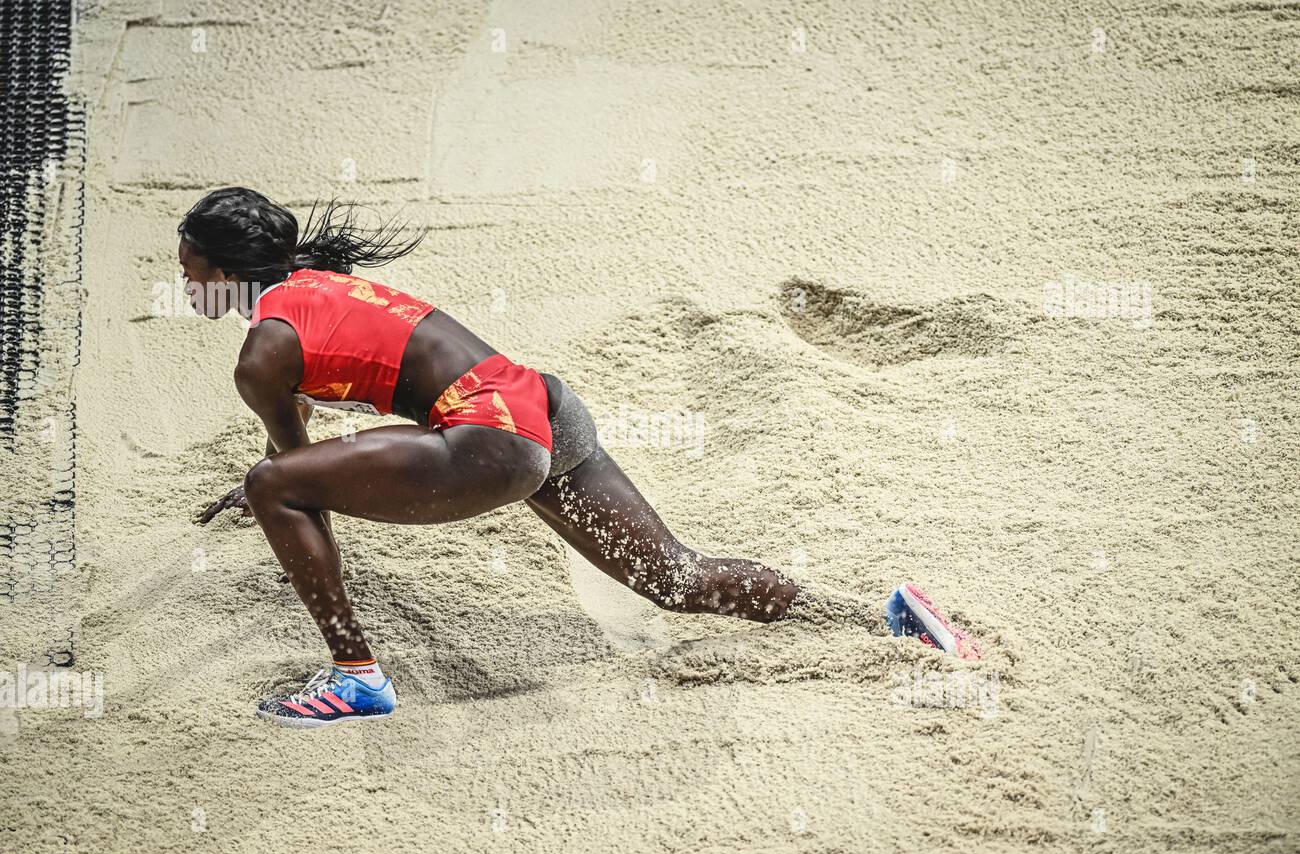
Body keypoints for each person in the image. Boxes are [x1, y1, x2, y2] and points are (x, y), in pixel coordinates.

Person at [181, 187, 974, 728]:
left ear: (223, 272)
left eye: (188, 271)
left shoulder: (261, 355)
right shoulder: (317, 285)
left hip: (490, 440)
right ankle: (881, 618)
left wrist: (266, 496)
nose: (184, 287)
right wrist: (286, 482)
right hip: (546, 410)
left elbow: (294, 475)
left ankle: (355, 674)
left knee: (268, 486)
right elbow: (314, 462)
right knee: (675, 577)